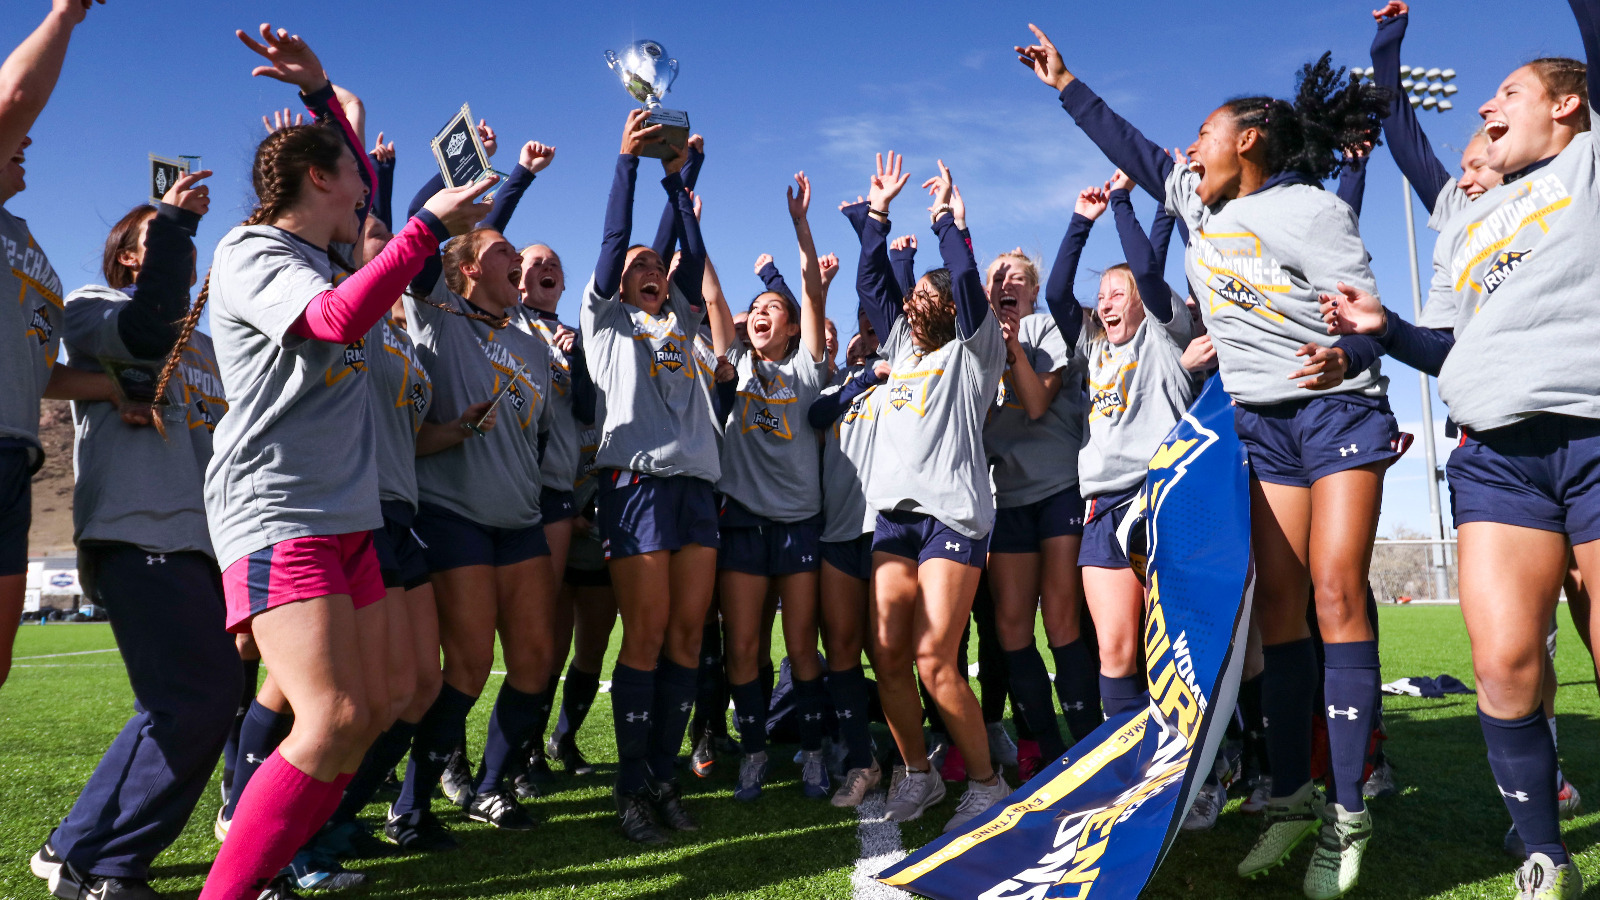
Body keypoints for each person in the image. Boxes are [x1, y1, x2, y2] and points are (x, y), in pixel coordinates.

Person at [1017, 25, 1394, 898]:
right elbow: (1135, 149)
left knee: (1336, 592)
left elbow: (1368, 326)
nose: (1192, 149)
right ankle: (1292, 797)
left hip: (1334, 411)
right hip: (1262, 426)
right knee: (1283, 617)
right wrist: (1067, 83)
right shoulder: (1199, 203)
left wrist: (1348, 356)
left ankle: (1348, 812)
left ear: (1249, 139)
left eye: (1207, 135)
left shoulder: (1314, 210)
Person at [193, 24, 489, 900]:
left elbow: (358, 225)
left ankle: (278, 866)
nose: (371, 187)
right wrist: (427, 230)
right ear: (319, 181)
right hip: (281, 508)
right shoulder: (254, 252)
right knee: (325, 719)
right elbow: (333, 323)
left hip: (344, 511)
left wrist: (326, 97)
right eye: (354, 173)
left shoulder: (320, 253)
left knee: (361, 714)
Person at [1322, 2, 1597, 892]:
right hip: (1495, 458)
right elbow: (1447, 349)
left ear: (1567, 106)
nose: (1484, 109)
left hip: (1593, 435)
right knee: (1505, 664)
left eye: (1507, 93)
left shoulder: (1591, 165)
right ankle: (1542, 849)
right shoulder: (1465, 222)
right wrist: (1385, 327)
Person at [32, 172, 240, 900]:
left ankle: (72, 846)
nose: (179, 255)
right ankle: (112, 868)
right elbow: (147, 331)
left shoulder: (209, 350)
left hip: (205, 542)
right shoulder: (95, 308)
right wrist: (176, 222)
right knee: (203, 697)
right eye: (158, 244)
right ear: (129, 257)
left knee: (171, 703)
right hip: (138, 530)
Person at [392, 135, 558, 835]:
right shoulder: (437, 311)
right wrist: (479, 170)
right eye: (499, 253)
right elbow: (420, 228)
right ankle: (413, 803)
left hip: (518, 515)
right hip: (454, 512)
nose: (513, 260)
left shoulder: (530, 341)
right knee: (466, 664)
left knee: (534, 660)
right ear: (463, 269)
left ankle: (492, 785)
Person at [851, 153, 1011, 832]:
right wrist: (878, 216)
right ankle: (919, 775)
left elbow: (970, 281)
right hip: (895, 518)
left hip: (953, 517)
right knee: (886, 653)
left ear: (949, 307)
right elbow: (872, 281)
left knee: (934, 658)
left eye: (922, 298)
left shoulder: (974, 353)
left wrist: (946, 217)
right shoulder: (905, 348)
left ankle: (985, 783)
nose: (908, 303)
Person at [582, 110, 717, 844]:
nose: (647, 273)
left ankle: (662, 780)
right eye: (636, 269)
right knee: (648, 634)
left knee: (688, 638)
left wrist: (680, 180)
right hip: (635, 485)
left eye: (652, 268)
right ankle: (629, 786)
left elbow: (688, 253)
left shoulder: (683, 322)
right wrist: (629, 162)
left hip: (695, 484)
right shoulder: (607, 320)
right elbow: (611, 246)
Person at [0, 0, 119, 691]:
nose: (29, 141)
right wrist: (65, 13)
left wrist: (109, 389)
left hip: (17, 455)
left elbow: (41, 372)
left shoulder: (23, 242)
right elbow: (15, 99)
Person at [701, 173, 832, 802]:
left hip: (799, 523)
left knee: (802, 646)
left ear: (790, 327)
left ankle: (810, 752)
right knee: (745, 648)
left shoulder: (807, 366)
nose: (760, 314)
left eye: (771, 310)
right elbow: (715, 296)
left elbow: (810, 287)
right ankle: (754, 754)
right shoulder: (732, 362)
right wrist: (687, 213)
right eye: (757, 310)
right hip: (744, 524)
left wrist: (801, 227)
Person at [980, 219, 1091, 779]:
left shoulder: (1048, 329)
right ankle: (1048, 752)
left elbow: (1036, 403)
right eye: (997, 275)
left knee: (1063, 621)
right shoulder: (973, 346)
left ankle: (1090, 739)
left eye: (1017, 276)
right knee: (1011, 630)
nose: (1007, 282)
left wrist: (1012, 348)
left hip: (1057, 490)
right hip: (1007, 499)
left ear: (1032, 287)